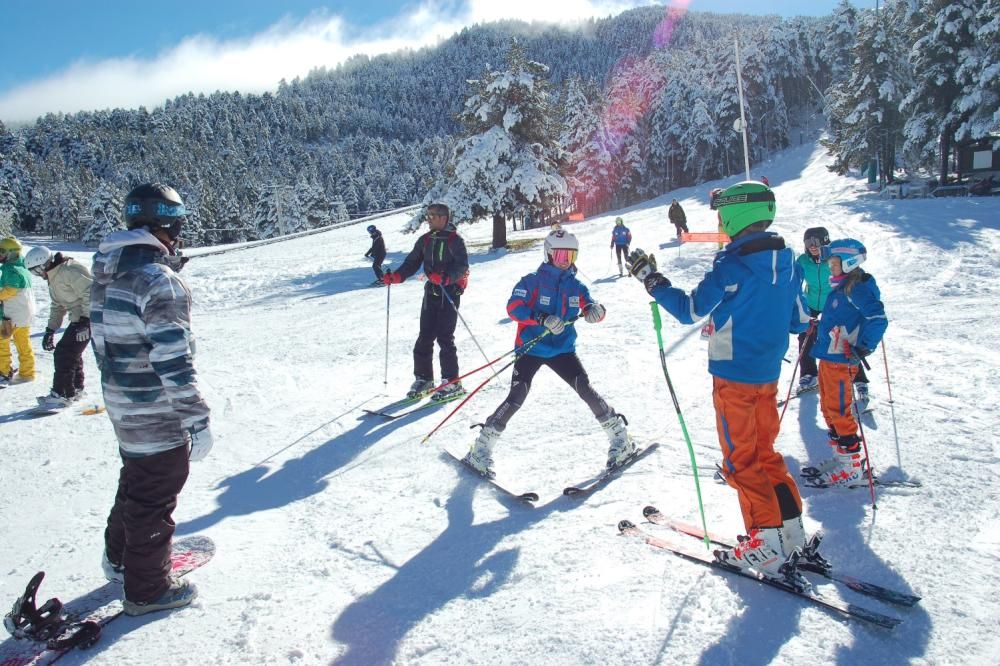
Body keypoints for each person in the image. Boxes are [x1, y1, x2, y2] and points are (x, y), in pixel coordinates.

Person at [627, 181, 813, 583]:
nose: (720, 222)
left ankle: (764, 542)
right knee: (765, 453)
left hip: (733, 377)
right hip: (767, 375)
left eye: (721, 215)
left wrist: (652, 280)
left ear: (734, 215)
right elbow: (800, 319)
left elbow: (690, 309)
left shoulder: (732, 266)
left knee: (741, 462)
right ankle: (791, 532)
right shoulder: (791, 263)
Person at [91, 183, 212, 616]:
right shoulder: (159, 280)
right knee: (155, 494)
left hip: (123, 404)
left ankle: (121, 558)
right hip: (156, 412)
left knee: (137, 482)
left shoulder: (109, 272)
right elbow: (173, 359)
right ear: (171, 223)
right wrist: (196, 419)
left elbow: (104, 343)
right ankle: (148, 590)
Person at [464, 229, 632, 478]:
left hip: (563, 350)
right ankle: (480, 450)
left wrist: (597, 311)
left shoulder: (576, 286)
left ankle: (621, 440)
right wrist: (540, 318)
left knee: (585, 388)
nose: (566, 259)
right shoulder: (532, 281)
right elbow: (513, 307)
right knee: (516, 396)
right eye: (561, 253)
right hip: (531, 348)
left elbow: (590, 306)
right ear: (549, 253)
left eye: (571, 254)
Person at [802, 239, 887, 487]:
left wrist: (863, 347)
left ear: (849, 263)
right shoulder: (841, 289)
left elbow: (878, 318)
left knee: (839, 410)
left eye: (834, 263)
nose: (830, 267)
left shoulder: (856, 289)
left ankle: (851, 468)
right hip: (830, 357)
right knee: (828, 409)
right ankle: (844, 459)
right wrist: (819, 326)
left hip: (842, 359)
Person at [382, 203, 470, 401]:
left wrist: (446, 278)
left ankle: (452, 381)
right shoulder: (425, 240)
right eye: (428, 215)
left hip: (449, 292)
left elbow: (462, 266)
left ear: (444, 218)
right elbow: (412, 262)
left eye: (432, 216)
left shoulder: (455, 240)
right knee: (424, 336)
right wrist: (397, 276)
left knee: (445, 337)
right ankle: (424, 378)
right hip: (431, 292)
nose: (428, 219)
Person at [795, 227, 870, 399]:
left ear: (825, 241)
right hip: (812, 303)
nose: (812, 246)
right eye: (808, 242)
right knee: (806, 336)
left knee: (842, 339)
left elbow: (853, 272)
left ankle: (859, 380)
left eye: (816, 242)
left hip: (835, 304)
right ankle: (809, 375)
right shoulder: (803, 260)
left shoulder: (833, 259)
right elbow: (795, 280)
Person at [23, 246, 93, 409]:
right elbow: (57, 306)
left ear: (42, 265)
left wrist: (85, 321)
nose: (36, 275)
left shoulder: (69, 270)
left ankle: (62, 393)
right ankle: (75, 388)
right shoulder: (53, 276)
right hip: (79, 319)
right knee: (71, 353)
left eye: (35, 271)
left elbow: (91, 292)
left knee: (64, 353)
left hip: (90, 318)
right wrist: (50, 329)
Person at [0, 236, 36, 387]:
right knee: (23, 342)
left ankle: (3, 372)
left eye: (2, 251)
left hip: (12, 315)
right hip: (25, 314)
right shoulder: (23, 268)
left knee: (2, 342)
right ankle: (28, 372)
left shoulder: (11, 269)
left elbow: (10, 290)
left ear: (12, 253)